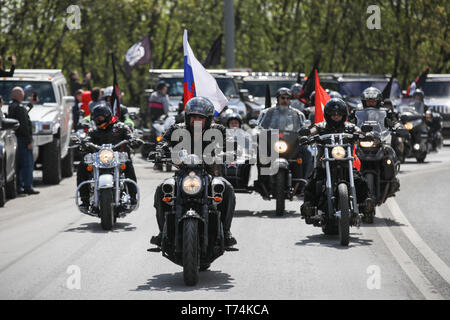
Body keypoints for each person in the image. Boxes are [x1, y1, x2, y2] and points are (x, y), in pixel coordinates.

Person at [150, 96, 237, 248]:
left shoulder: (218, 130)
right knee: (161, 190)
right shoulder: (178, 129)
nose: (196, 120)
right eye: (193, 116)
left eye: (201, 118)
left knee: (227, 189)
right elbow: (163, 142)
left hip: (209, 174)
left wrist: (229, 152)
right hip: (183, 175)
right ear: (187, 117)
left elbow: (230, 145)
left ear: (208, 119)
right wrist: (159, 151)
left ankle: (227, 231)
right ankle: (162, 233)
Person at [300, 98, 374, 218]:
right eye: (333, 114)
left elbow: (359, 131)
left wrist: (366, 135)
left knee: (360, 180)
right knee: (313, 181)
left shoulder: (350, 127)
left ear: (344, 115)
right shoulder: (321, 127)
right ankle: (308, 206)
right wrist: (307, 135)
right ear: (328, 115)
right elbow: (312, 131)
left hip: (346, 163)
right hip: (324, 163)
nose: (336, 117)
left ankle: (366, 204)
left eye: (339, 114)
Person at [76, 103, 138, 210]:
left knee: (128, 164)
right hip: (99, 159)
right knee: (82, 166)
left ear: (107, 116)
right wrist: (83, 143)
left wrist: (132, 139)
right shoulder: (94, 131)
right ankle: (85, 200)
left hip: (116, 158)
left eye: (100, 118)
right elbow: (87, 138)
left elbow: (129, 134)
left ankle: (133, 197)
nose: (97, 121)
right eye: (95, 119)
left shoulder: (120, 127)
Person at [7, 87, 39, 195]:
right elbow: (24, 125)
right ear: (19, 95)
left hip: (17, 139)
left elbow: (23, 112)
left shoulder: (12, 106)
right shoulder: (19, 107)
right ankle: (27, 187)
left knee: (19, 165)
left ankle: (20, 186)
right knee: (27, 164)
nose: (23, 96)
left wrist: (30, 105)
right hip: (23, 140)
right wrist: (29, 141)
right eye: (22, 94)